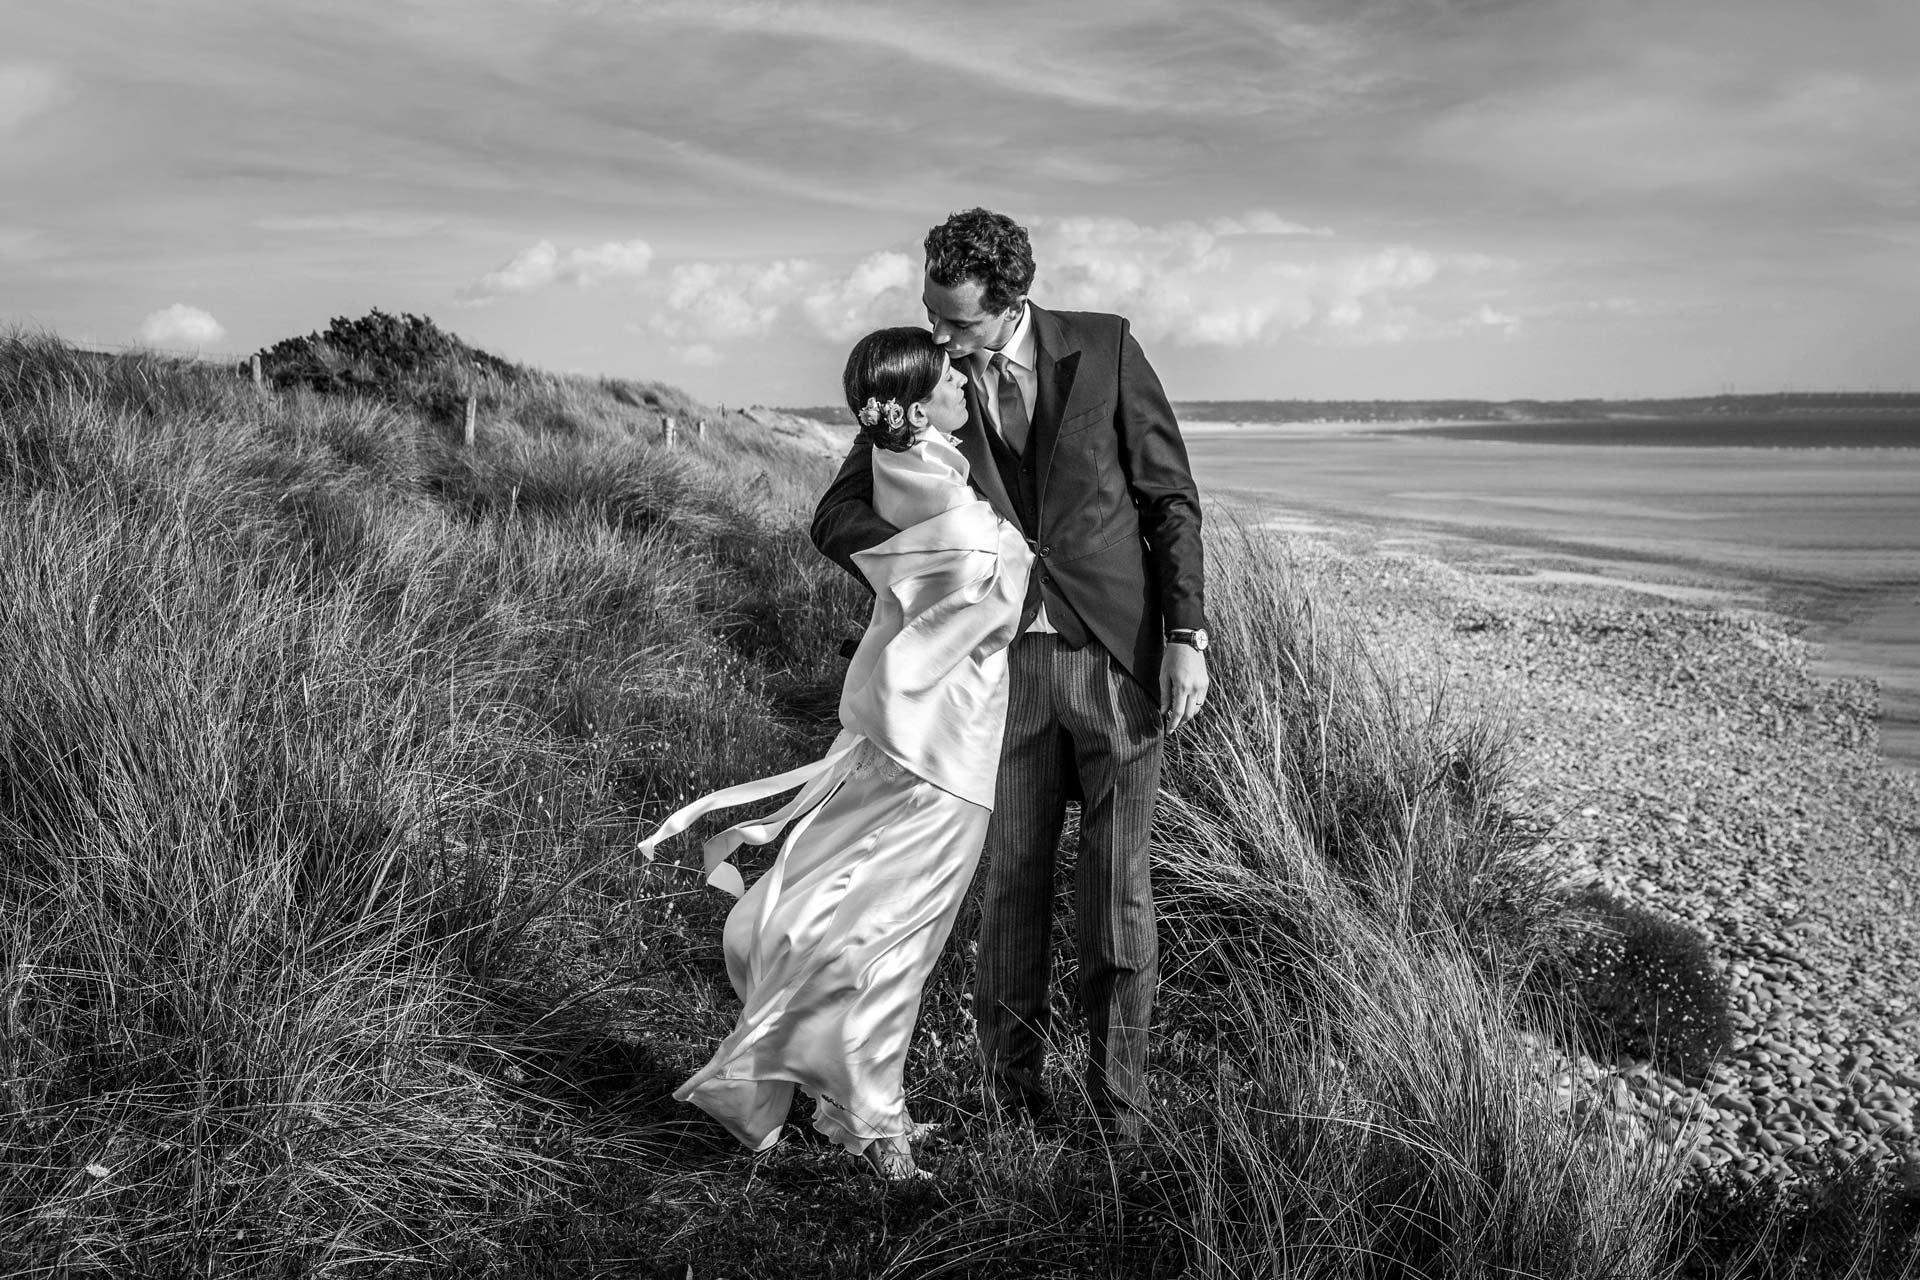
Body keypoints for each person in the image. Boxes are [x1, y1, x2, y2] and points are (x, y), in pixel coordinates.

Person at [812, 208, 1209, 1144]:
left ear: (1013, 301)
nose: (939, 339)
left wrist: (1186, 634)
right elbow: (836, 516)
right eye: (929, 315)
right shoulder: (924, 381)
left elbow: (1169, 499)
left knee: (1118, 895)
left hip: (1117, 660)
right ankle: (1008, 1096)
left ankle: (1120, 1114)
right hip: (995, 677)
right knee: (1013, 887)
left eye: (958, 323)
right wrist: (945, 553)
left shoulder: (1106, 350)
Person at [640, 327, 1032, 1180]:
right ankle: (872, 1124)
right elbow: (993, 592)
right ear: (920, 405)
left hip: (902, 739)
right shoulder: (957, 512)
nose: (970, 382)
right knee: (897, 935)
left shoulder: (903, 473)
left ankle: (845, 1093)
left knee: (863, 913)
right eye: (953, 378)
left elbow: (872, 540)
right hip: (944, 754)